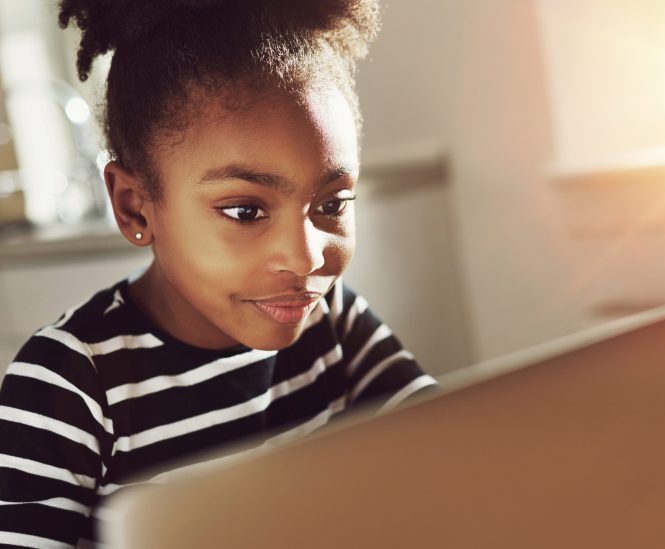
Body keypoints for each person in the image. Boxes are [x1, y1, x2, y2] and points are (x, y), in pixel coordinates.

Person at [0, 0, 436, 546]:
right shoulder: (69, 384)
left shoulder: (336, 321)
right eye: (245, 211)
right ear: (136, 207)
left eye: (331, 204)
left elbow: (448, 462)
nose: (305, 260)